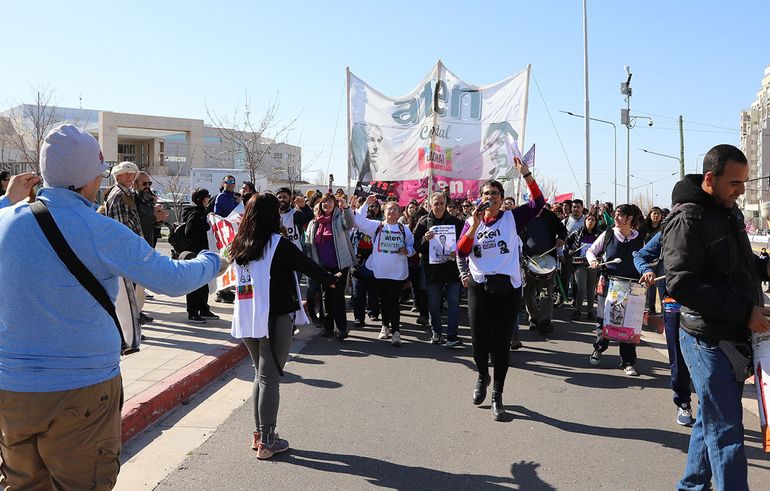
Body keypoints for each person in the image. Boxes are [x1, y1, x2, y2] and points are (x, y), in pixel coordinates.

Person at [0, 124, 220, 488]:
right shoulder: (99, 229)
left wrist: (8, 200)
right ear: (89, 177)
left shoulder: (6, 221)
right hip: (81, 389)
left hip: (12, 390)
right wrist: (215, 260)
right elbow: (172, 280)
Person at [662, 144, 770, 490]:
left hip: (734, 335)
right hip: (706, 341)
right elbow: (681, 282)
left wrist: (765, 268)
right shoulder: (687, 219)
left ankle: (691, 487)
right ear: (710, 178)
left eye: (745, 183)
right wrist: (745, 311)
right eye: (735, 184)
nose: (741, 191)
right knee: (727, 433)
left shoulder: (729, 211)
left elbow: (740, 266)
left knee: (711, 420)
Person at [230, 193, 338, 459]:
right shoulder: (279, 244)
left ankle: (260, 435)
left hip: (246, 315)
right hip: (273, 318)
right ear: (272, 215)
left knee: (260, 374)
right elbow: (309, 266)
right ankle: (267, 440)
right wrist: (331, 280)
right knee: (270, 377)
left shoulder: (240, 244)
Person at [457, 157, 544, 420]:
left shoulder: (511, 218)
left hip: (507, 288)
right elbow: (461, 250)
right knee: (478, 341)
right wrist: (473, 225)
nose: (490, 197)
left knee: (501, 343)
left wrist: (526, 174)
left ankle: (498, 394)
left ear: (502, 198)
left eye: (494, 194)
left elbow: (539, 203)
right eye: (485, 193)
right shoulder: (473, 222)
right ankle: (482, 376)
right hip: (479, 286)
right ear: (480, 198)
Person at [634, 230, 694, 427]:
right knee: (677, 355)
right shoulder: (668, 231)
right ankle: (683, 402)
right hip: (674, 303)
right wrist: (646, 270)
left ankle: (711, 408)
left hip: (709, 304)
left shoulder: (718, 223)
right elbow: (640, 254)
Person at [586, 204, 645, 376]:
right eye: (616, 214)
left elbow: (646, 258)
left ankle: (628, 361)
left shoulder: (639, 238)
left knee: (629, 323)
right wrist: (593, 261)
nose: (616, 218)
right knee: (604, 318)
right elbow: (591, 251)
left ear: (630, 218)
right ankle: (598, 348)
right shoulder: (608, 234)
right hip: (609, 284)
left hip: (632, 286)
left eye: (620, 215)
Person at [355, 195, 415, 346]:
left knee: (394, 302)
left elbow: (413, 248)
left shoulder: (404, 229)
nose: (392, 212)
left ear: (400, 213)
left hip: (397, 272)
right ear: (384, 211)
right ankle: (384, 327)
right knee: (383, 301)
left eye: (396, 209)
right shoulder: (377, 226)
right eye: (390, 209)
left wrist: (406, 250)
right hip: (380, 272)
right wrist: (366, 204)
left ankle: (396, 332)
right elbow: (358, 221)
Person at [413, 192, 465, 347]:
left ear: (446, 204)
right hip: (432, 271)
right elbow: (415, 246)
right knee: (434, 304)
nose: (439, 206)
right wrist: (424, 239)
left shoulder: (456, 222)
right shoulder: (423, 222)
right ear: (430, 204)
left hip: (452, 269)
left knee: (454, 302)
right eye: (436, 203)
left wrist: (456, 251)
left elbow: (464, 243)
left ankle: (452, 335)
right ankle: (436, 331)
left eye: (442, 203)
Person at [306, 192, 356, 339]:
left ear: (335, 205)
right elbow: (309, 244)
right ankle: (328, 327)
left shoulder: (339, 218)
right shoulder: (314, 222)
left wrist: (346, 207)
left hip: (340, 265)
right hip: (322, 266)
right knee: (325, 296)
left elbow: (350, 224)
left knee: (338, 296)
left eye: (330, 202)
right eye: (324, 202)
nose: (326, 204)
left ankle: (341, 328)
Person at [521, 206, 567, 335]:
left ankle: (545, 321)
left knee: (546, 291)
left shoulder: (550, 216)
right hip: (529, 259)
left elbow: (562, 230)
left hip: (548, 260)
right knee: (528, 291)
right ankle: (534, 317)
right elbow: (518, 234)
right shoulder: (525, 215)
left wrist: (561, 238)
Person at [182, 188, 220, 323]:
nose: (209, 199)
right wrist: (205, 227)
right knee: (195, 282)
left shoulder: (202, 212)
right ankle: (192, 311)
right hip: (196, 253)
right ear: (202, 199)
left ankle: (203, 308)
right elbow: (189, 231)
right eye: (207, 196)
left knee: (204, 281)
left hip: (204, 252)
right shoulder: (196, 213)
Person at [350, 196, 381, 327]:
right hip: (358, 265)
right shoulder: (354, 230)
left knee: (374, 292)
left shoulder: (378, 229)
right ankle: (359, 317)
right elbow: (350, 244)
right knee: (358, 293)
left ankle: (373, 312)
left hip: (374, 265)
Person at [567, 212, 600, 320]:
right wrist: (570, 250)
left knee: (591, 289)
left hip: (593, 265)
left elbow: (604, 246)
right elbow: (567, 241)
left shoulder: (599, 234)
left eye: (593, 220)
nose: (590, 222)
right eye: (588, 219)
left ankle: (590, 312)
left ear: (596, 222)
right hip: (579, 264)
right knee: (581, 288)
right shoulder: (577, 232)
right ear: (585, 220)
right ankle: (578, 310)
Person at [400, 199, 428, 324]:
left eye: (414, 207)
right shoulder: (405, 224)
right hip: (410, 259)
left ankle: (423, 309)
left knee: (421, 286)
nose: (412, 210)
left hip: (421, 259)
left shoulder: (425, 222)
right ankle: (416, 304)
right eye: (410, 208)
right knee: (414, 284)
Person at [638, 206, 665, 314]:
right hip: (649, 260)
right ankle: (651, 307)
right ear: (650, 215)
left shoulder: (663, 229)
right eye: (654, 213)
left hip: (661, 259)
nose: (656, 216)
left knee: (662, 284)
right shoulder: (644, 229)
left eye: (658, 214)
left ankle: (664, 308)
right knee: (651, 284)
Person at [133, 171, 168, 248]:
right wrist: (154, 218)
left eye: (149, 183)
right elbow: (136, 224)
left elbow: (154, 226)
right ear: (135, 185)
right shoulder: (132, 201)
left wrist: (159, 220)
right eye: (144, 184)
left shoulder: (149, 200)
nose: (148, 186)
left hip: (150, 245)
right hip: (137, 246)